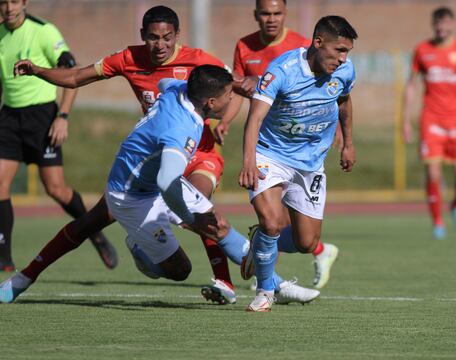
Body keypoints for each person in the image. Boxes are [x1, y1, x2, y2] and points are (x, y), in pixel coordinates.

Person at [11, 5, 318, 305]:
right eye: (153, 38)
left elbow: (193, 83)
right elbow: (167, 178)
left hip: (192, 156)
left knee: (214, 219)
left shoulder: (184, 77)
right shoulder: (162, 104)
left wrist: (262, 91)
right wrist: (189, 216)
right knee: (172, 259)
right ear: (142, 34)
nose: (160, 45)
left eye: (167, 37)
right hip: (149, 173)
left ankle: (254, 283)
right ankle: (24, 278)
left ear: (177, 35)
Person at [238, 15, 357, 312]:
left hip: (311, 162)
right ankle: (265, 292)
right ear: (318, 43)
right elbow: (255, 117)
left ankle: (261, 242)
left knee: (306, 242)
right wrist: (249, 161)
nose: (343, 59)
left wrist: (348, 143)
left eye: (347, 52)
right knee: (272, 221)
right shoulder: (282, 71)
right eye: (339, 50)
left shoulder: (345, 70)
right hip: (271, 155)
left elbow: (343, 100)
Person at [0, 0, 117, 272]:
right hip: (9, 117)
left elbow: (71, 72)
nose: (8, 8)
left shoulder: (44, 31)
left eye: (14, 2)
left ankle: (94, 232)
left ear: (25, 3)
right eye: (3, 2)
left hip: (42, 117)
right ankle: (4, 257)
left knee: (55, 188)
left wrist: (62, 117)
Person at [402, 7, 456, 240]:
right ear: (433, 25)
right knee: (433, 173)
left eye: (445, 24)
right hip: (432, 120)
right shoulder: (422, 50)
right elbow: (411, 85)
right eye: (437, 24)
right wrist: (406, 121)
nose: (441, 28)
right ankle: (438, 223)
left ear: (452, 24)